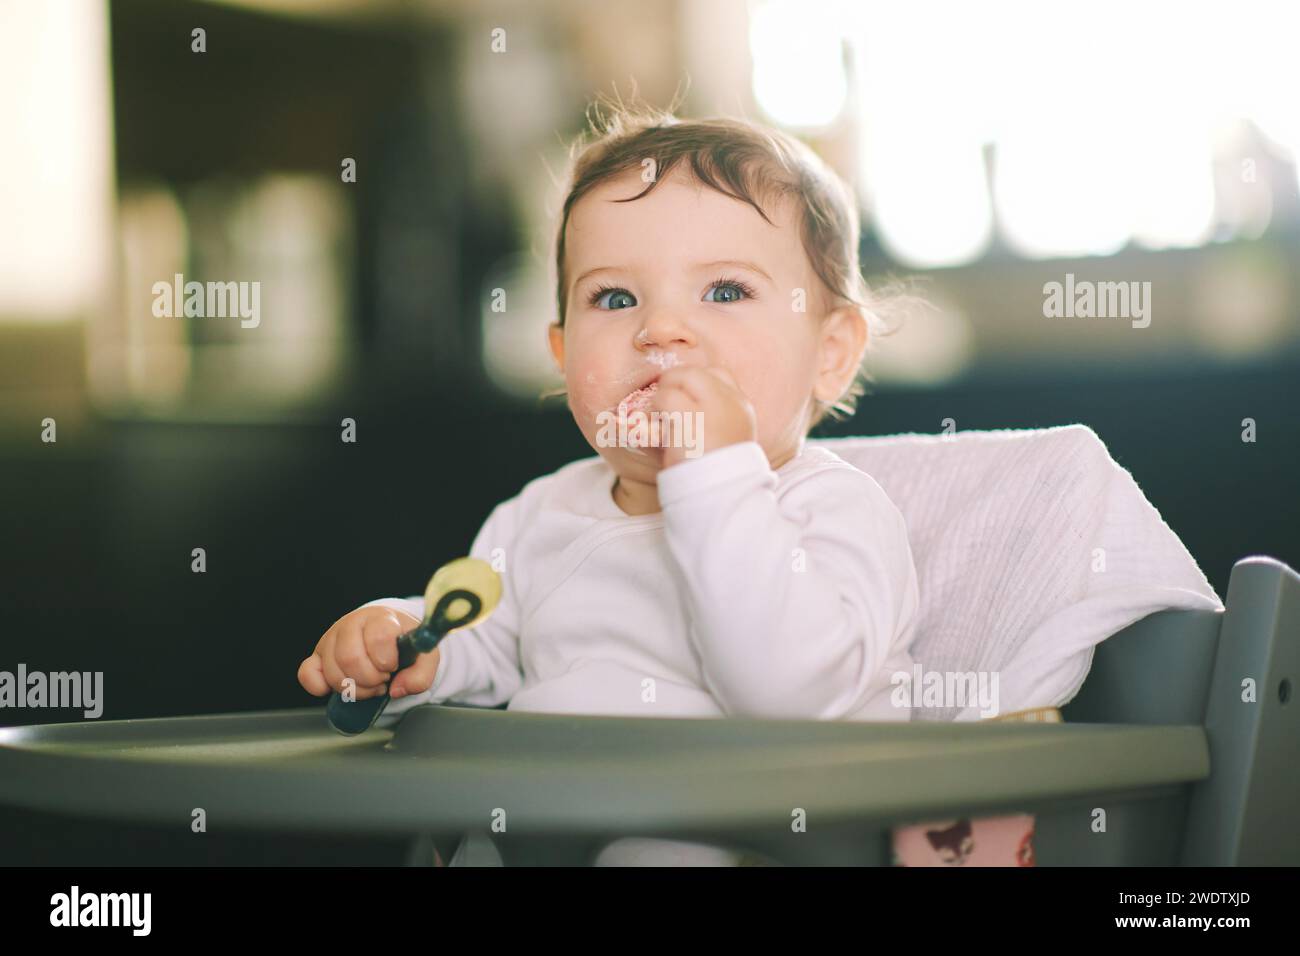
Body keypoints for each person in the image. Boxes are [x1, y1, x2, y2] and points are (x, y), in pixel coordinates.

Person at [299, 101, 921, 865]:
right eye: (615, 298)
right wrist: (404, 640)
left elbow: (789, 692)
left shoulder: (832, 510)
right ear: (562, 355)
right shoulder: (539, 514)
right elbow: (478, 640)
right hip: (540, 815)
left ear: (830, 353)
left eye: (725, 291)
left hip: (742, 830)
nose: (661, 330)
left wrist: (716, 477)